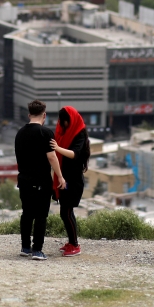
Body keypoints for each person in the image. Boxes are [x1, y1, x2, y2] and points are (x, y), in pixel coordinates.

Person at [14, 99, 65, 261]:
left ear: (29, 115)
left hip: (23, 179)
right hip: (41, 180)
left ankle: (25, 247)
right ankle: (37, 250)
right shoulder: (46, 133)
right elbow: (51, 157)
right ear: (44, 115)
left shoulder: (20, 133)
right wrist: (60, 176)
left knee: (27, 213)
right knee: (41, 215)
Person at [50, 106, 90, 257]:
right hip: (64, 177)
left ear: (71, 121)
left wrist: (58, 148)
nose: (63, 125)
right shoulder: (64, 131)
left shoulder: (79, 134)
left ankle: (75, 244)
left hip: (73, 179)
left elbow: (75, 154)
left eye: (65, 122)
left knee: (66, 212)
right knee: (65, 212)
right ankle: (72, 242)